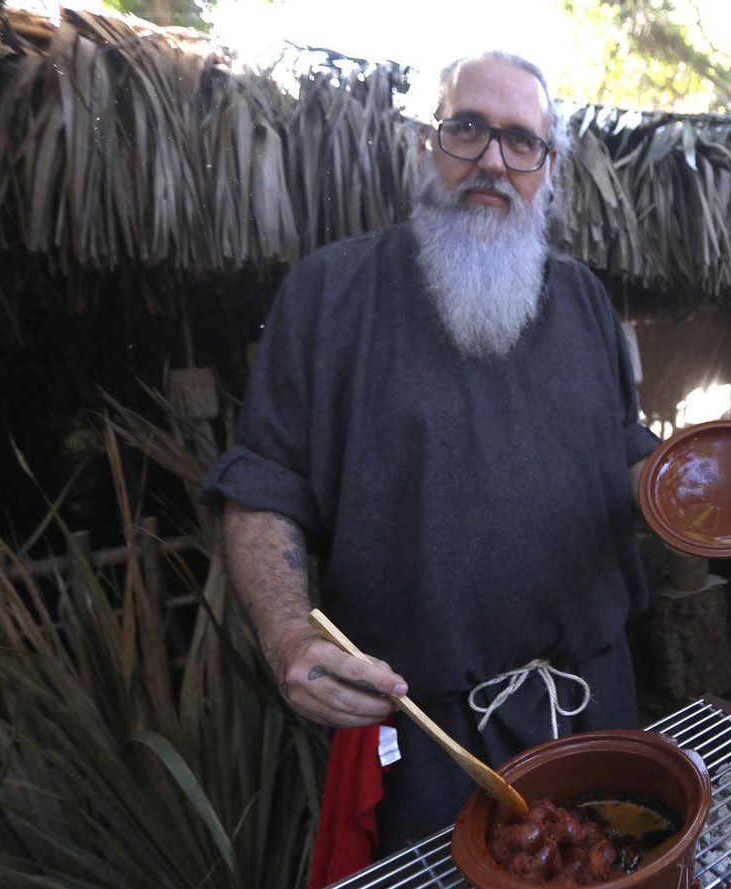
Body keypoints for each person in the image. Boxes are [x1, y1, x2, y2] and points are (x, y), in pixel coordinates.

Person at [200, 52, 661, 854]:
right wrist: (287, 639)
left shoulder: (583, 297)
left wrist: (692, 489)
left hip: (594, 704)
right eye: (468, 129)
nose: (491, 159)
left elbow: (623, 453)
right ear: (425, 143)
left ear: (548, 169)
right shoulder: (330, 293)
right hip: (426, 736)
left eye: (522, 141)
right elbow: (262, 488)